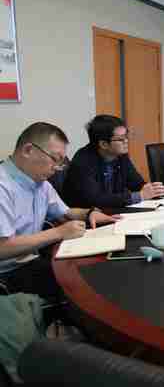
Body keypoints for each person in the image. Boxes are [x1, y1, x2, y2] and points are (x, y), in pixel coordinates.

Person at [0, 122, 116, 300]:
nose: (56, 168)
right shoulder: (3, 186)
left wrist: (89, 213)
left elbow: (65, 213)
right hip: (6, 273)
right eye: (55, 159)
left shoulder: (40, 183)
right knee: (84, 285)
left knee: (96, 270)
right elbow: (3, 247)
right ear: (28, 150)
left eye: (60, 162)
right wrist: (59, 232)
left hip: (29, 261)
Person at [63, 115, 164, 208]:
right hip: (87, 216)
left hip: (113, 210)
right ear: (104, 144)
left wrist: (152, 189)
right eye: (121, 139)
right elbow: (96, 199)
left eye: (126, 136)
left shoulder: (121, 155)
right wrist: (140, 195)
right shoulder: (82, 162)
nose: (126, 141)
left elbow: (136, 183)